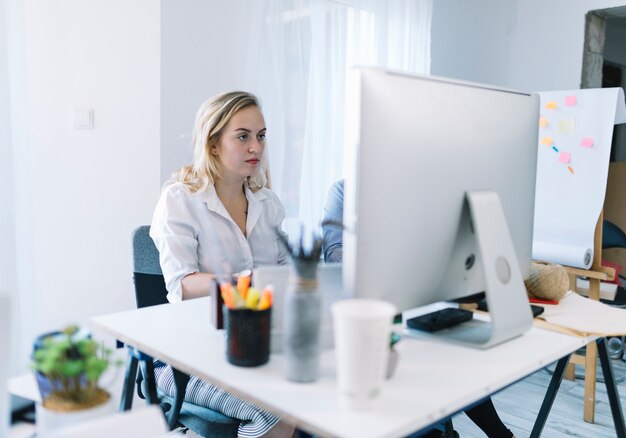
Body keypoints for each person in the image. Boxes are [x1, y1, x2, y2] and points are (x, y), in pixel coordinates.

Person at [321, 179, 516, 438]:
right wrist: (380, 257)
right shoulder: (343, 190)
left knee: (451, 362)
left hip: (416, 300)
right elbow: (333, 253)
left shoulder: (412, 188)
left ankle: (498, 435)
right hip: (369, 312)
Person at [150, 91, 293, 438]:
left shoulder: (268, 204)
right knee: (278, 418)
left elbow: (287, 275)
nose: (255, 147)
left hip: (257, 346)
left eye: (261, 136)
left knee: (324, 406)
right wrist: (247, 282)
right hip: (185, 359)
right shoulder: (180, 200)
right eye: (242, 136)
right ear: (213, 144)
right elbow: (182, 284)